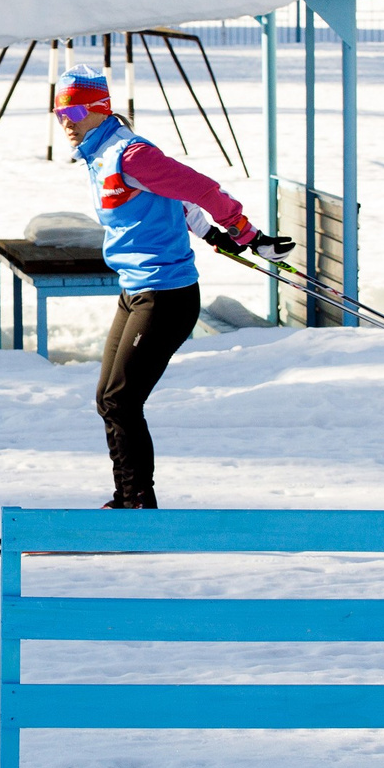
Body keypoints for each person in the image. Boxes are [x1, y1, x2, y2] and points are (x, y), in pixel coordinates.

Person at [52, 63, 292, 508]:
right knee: (108, 398)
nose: (65, 121)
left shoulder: (131, 154)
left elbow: (200, 188)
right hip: (136, 289)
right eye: (58, 112)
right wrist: (210, 233)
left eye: (74, 111)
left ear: (99, 109)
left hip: (167, 295)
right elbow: (173, 202)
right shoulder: (99, 153)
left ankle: (139, 502)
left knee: (122, 400)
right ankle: (127, 498)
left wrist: (243, 232)